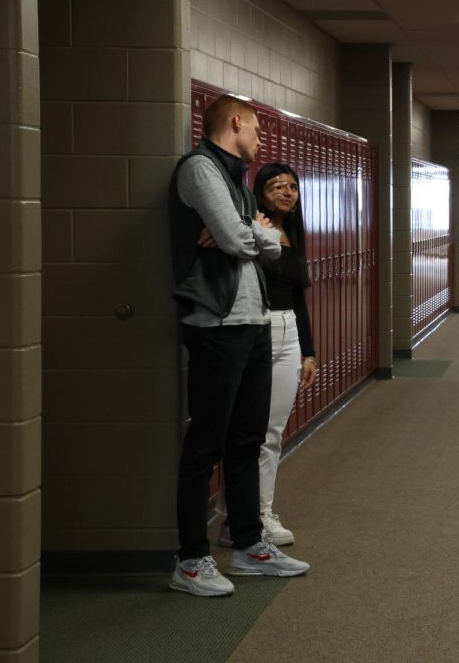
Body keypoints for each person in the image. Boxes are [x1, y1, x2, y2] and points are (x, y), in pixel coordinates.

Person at [167, 95, 310, 597]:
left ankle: (249, 546)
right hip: (217, 325)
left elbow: (260, 238)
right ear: (235, 123)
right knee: (206, 442)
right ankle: (190, 559)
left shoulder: (238, 183)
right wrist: (254, 232)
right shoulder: (201, 170)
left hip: (253, 323)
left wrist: (252, 231)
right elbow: (237, 239)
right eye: (256, 131)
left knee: (246, 439)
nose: (261, 141)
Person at [216, 163, 317, 547]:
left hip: (289, 331)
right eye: (277, 186)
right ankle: (236, 519)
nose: (287, 193)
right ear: (259, 192)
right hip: (258, 328)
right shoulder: (254, 229)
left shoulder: (291, 235)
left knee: (271, 434)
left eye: (292, 187)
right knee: (248, 433)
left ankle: (258, 513)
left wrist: (309, 352)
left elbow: (298, 297)